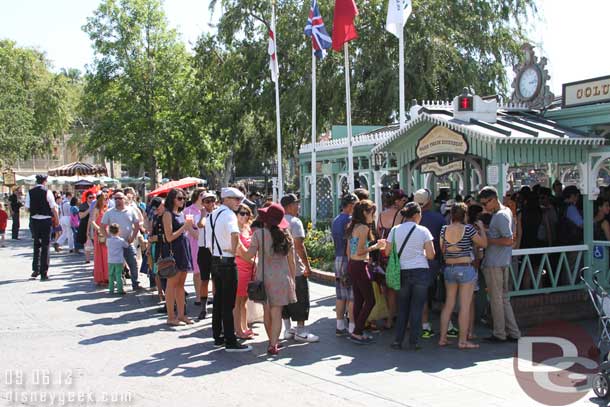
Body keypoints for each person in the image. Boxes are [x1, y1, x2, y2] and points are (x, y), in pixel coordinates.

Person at [243, 203, 297, 355]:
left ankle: (271, 341)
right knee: (277, 313)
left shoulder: (258, 234)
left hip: (264, 278)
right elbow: (292, 262)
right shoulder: (286, 235)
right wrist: (292, 280)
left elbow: (248, 255)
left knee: (267, 311)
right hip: (282, 278)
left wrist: (236, 248)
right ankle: (273, 343)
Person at [204, 187, 252, 352]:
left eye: (240, 200)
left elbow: (207, 241)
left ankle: (218, 337)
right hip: (227, 261)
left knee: (218, 300)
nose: (239, 203)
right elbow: (234, 235)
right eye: (236, 199)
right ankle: (230, 340)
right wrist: (233, 250)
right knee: (228, 303)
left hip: (215, 260)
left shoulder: (212, 215)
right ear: (226, 199)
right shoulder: (229, 215)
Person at [385, 202, 435, 350]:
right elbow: (431, 255)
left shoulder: (394, 230)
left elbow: (387, 252)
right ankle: (414, 341)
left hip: (402, 271)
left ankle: (398, 340)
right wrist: (421, 253)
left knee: (403, 308)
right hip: (420, 271)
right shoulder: (423, 231)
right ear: (416, 215)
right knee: (417, 308)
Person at [438, 202, 487, 349]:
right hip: (465, 268)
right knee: (465, 306)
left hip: (449, 268)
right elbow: (484, 244)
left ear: (451, 215)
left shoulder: (444, 229)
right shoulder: (468, 229)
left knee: (449, 304)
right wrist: (483, 229)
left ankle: (442, 338)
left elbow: (443, 249)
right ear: (464, 215)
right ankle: (463, 341)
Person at [479, 186, 521, 343]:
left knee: (496, 299)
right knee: (503, 299)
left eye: (485, 203)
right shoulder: (506, 213)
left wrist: (487, 239)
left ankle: (499, 333)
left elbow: (509, 240)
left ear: (493, 199)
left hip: (495, 263)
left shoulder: (500, 216)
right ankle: (513, 332)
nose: (484, 207)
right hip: (503, 261)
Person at [280, 194, 319, 343]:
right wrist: (307, 266)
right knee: (301, 299)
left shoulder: (277, 221)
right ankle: (301, 331)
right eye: (297, 204)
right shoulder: (295, 222)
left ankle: (287, 329)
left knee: (284, 299)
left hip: (281, 268)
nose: (299, 207)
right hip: (296, 268)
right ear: (289, 206)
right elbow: (299, 246)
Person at [346, 199, 386, 344]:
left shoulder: (354, 226)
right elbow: (359, 250)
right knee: (370, 300)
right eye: (371, 213)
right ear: (365, 213)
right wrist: (376, 247)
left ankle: (357, 330)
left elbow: (351, 250)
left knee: (359, 299)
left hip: (353, 264)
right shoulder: (363, 228)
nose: (373, 216)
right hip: (359, 265)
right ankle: (358, 331)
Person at [413, 188, 448, 339]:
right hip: (432, 263)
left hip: (412, 263)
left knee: (417, 295)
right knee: (430, 294)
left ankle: (422, 324)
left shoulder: (409, 220)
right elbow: (444, 242)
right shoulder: (439, 218)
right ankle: (432, 325)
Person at [161, 188, 194, 326]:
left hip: (183, 250)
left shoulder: (181, 214)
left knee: (181, 285)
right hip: (174, 251)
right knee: (172, 285)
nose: (182, 201)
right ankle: (170, 316)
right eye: (179, 198)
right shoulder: (167, 214)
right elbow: (169, 237)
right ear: (172, 199)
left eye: (184, 198)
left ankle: (181, 315)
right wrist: (184, 227)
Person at [377, 189, 407, 329]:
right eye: (403, 200)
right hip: (396, 255)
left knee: (387, 289)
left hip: (383, 255)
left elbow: (378, 232)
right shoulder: (400, 215)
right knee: (397, 290)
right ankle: (396, 319)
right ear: (396, 201)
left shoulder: (381, 215)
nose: (405, 203)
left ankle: (389, 318)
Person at [100, 191, 142, 290]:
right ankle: (117, 284)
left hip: (127, 242)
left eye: (120, 198)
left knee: (133, 262)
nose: (118, 200)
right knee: (115, 265)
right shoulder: (109, 212)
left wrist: (132, 237)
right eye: (116, 198)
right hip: (115, 243)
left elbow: (137, 225)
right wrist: (108, 237)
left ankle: (135, 283)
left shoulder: (130, 210)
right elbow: (102, 226)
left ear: (124, 199)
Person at [331, 193, 358, 335]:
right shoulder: (349, 220)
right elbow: (350, 244)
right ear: (351, 205)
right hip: (348, 258)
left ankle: (340, 325)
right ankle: (353, 326)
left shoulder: (336, 219)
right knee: (352, 295)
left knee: (341, 295)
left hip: (338, 258)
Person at [25, 175, 59, 281]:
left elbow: (26, 208)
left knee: (36, 244)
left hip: (35, 220)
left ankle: (36, 268)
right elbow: (53, 207)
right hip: (45, 220)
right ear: (44, 181)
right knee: (45, 245)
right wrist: (57, 219)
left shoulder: (30, 192)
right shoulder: (47, 192)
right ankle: (44, 272)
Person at [195, 191, 217, 320]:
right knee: (204, 280)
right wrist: (203, 214)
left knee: (216, 280)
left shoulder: (218, 214)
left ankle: (215, 305)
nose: (211, 204)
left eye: (212, 201)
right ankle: (203, 308)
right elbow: (200, 225)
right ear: (202, 203)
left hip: (215, 250)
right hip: (203, 250)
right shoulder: (201, 215)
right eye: (207, 201)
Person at [234, 203, 254, 339]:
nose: (245, 216)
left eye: (247, 213)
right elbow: (238, 251)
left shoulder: (248, 228)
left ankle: (245, 327)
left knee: (245, 300)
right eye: (242, 213)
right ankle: (238, 330)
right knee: (238, 301)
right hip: (240, 267)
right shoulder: (234, 230)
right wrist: (254, 262)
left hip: (251, 267)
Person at [183, 188, 206, 304]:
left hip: (208, 243)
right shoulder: (189, 211)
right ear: (197, 196)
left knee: (206, 272)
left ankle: (204, 295)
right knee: (197, 271)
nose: (205, 196)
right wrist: (197, 235)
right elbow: (188, 226)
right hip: (194, 242)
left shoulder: (208, 209)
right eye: (202, 194)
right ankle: (198, 296)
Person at [91, 192, 109, 285]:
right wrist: (98, 228)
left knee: (106, 255)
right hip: (99, 234)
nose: (107, 200)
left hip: (106, 232)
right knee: (100, 255)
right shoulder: (97, 209)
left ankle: (107, 276)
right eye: (105, 199)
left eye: (107, 199)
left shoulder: (107, 209)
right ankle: (101, 278)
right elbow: (92, 221)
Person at [106, 223, 129, 295]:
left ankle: (111, 289)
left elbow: (106, 246)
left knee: (111, 275)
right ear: (119, 231)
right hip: (119, 260)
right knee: (119, 275)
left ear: (109, 231)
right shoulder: (121, 240)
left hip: (110, 260)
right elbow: (126, 245)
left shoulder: (108, 240)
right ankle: (120, 289)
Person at [77, 191, 95, 264]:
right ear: (87, 198)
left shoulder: (96, 204)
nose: (92, 199)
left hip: (93, 224)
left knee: (95, 241)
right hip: (85, 224)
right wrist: (89, 209)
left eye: (93, 197)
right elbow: (81, 216)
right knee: (87, 241)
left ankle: (95, 257)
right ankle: (87, 259)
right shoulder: (83, 205)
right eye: (90, 197)